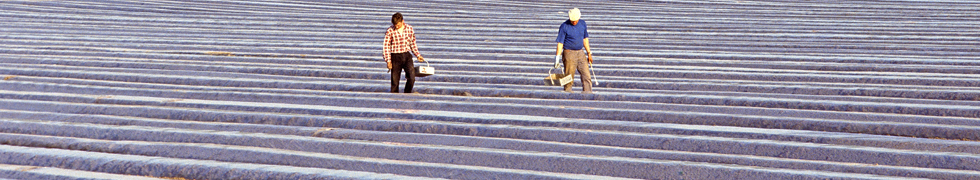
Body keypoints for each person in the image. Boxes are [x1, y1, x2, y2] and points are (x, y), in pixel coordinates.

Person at [383, 12, 425, 93]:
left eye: (398, 24)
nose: (396, 26)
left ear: (402, 21)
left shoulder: (409, 28)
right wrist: (388, 61)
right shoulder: (390, 31)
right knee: (395, 82)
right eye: (395, 25)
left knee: (412, 77)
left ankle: (407, 94)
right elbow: (386, 46)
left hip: (407, 55)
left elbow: (413, 43)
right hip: (395, 56)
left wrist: (418, 55)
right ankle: (394, 100)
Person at [554, 8, 593, 94]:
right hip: (569, 53)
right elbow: (560, 43)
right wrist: (557, 58)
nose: (574, 22)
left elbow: (585, 39)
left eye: (575, 20)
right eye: (572, 20)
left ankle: (588, 93)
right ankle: (567, 93)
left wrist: (589, 53)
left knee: (586, 74)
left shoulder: (583, 24)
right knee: (569, 76)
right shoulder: (564, 26)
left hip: (580, 52)